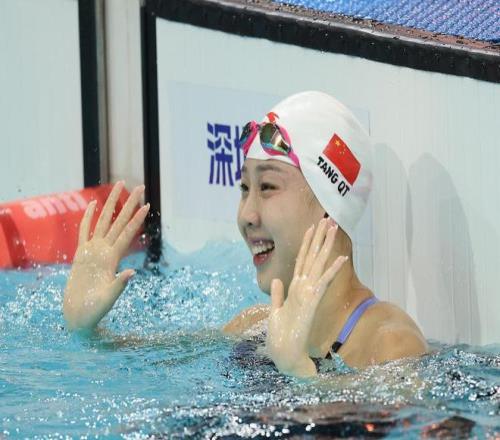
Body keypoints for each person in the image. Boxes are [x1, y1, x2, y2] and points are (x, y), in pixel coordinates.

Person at [63, 91, 427, 377]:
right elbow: (148, 362)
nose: (246, 215)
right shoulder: (255, 326)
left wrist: (302, 374)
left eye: (267, 187)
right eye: (244, 188)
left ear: (329, 206)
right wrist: (87, 332)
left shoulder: (390, 344)